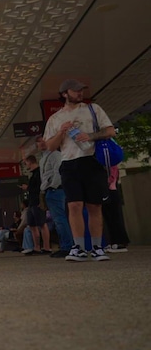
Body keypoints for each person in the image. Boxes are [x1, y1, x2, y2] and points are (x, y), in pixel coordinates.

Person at [43, 79, 115, 262]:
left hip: (92, 161)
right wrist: (61, 132)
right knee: (74, 205)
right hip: (69, 164)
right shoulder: (55, 118)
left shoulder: (93, 109)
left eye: (81, 90)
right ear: (64, 94)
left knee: (94, 205)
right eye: (75, 91)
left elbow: (110, 130)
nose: (80, 93)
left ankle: (98, 247)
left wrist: (89, 135)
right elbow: (50, 146)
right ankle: (79, 247)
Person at [38, 136, 72, 258]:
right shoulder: (43, 158)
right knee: (58, 220)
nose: (41, 143)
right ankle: (65, 245)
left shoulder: (55, 155)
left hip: (55, 190)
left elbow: (58, 172)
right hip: (49, 191)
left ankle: (67, 246)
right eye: (38, 141)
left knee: (60, 219)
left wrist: (53, 185)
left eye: (44, 140)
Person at [20, 154, 50, 255]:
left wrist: (41, 201)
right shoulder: (33, 174)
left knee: (42, 224)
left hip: (37, 202)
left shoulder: (39, 173)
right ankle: (36, 247)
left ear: (30, 162)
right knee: (32, 224)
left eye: (26, 163)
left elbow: (39, 188)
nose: (25, 166)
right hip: (32, 202)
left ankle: (46, 247)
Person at [102, 165, 130, 253]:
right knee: (111, 217)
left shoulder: (109, 161)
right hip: (110, 189)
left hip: (110, 189)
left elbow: (112, 176)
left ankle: (118, 242)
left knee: (113, 216)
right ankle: (115, 242)